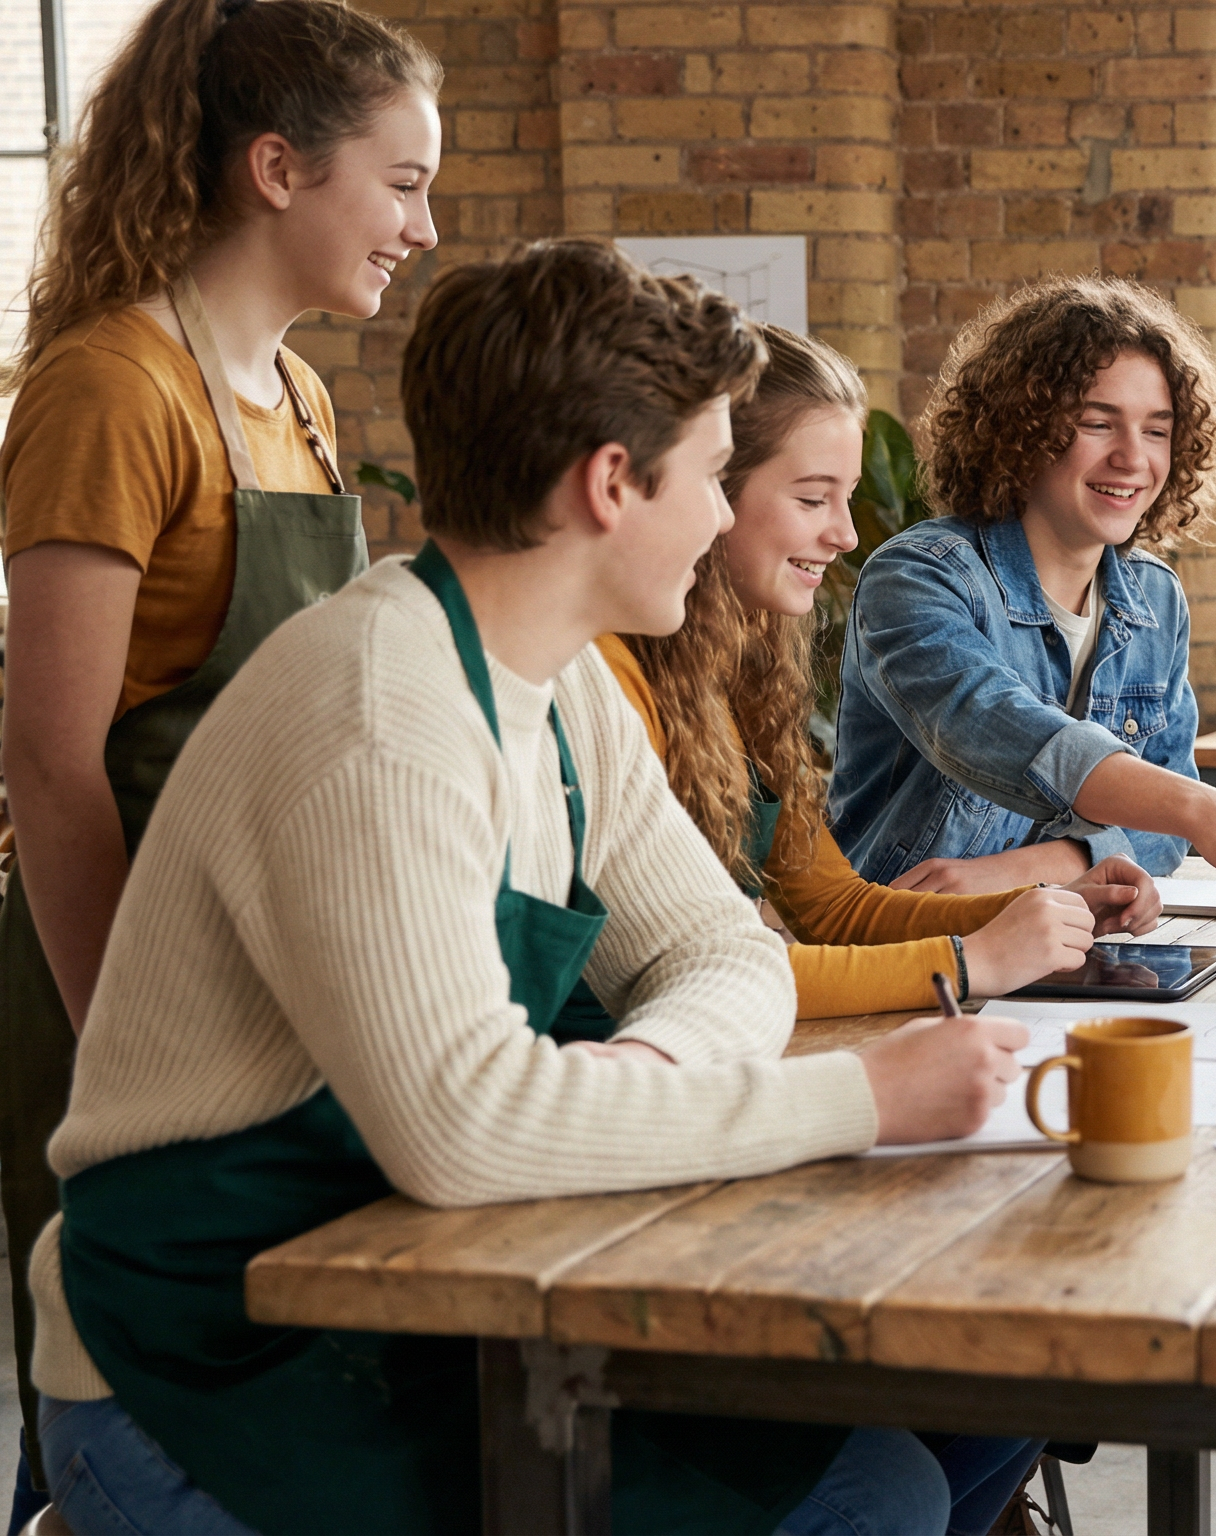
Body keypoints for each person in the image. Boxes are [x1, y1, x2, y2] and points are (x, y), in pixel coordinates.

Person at [25, 240, 1042, 1536]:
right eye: (709, 476)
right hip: (208, 1357)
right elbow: (463, 1130)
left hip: (426, 1291)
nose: (721, 518)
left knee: (920, 1448)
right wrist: (859, 1098)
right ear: (610, 484)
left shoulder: (554, 681)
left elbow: (722, 952)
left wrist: (650, 1068)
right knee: (872, 1501)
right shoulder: (379, 712)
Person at [0, 0, 438, 1521]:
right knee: (113, 1378)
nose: (421, 228)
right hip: (116, 961)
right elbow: (51, 764)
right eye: (401, 184)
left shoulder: (300, 399)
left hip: (261, 965)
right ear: (277, 169)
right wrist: (129, 1038)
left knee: (260, 1395)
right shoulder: (111, 389)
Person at [597, 323, 1161, 1018]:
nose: (846, 534)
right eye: (813, 499)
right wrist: (971, 961)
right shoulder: (610, 679)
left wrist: (1043, 908)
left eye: (847, 496)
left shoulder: (739, 668)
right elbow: (699, 971)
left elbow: (833, 907)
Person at [830, 274, 1216, 909]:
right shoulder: (919, 576)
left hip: (1055, 935)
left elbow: (1161, 835)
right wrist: (1203, 809)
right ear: (1020, 430)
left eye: (1157, 430)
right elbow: (995, 727)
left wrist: (1046, 865)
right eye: (1097, 423)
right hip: (895, 932)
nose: (1133, 458)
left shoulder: (1155, 599)